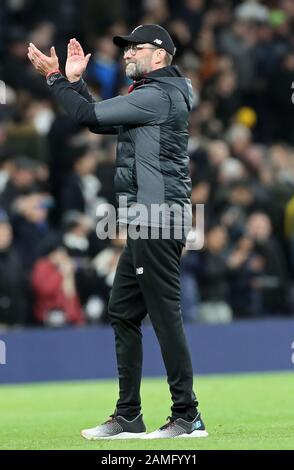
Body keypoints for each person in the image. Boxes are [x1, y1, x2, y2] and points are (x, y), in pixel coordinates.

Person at [28, 24, 208, 440]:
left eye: (135, 49)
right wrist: (74, 81)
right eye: (125, 50)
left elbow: (86, 115)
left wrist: (54, 79)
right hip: (150, 218)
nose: (127, 55)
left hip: (158, 218)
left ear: (160, 56)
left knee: (164, 315)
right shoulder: (152, 96)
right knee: (123, 310)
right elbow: (96, 121)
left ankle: (187, 415)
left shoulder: (156, 96)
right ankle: (128, 415)